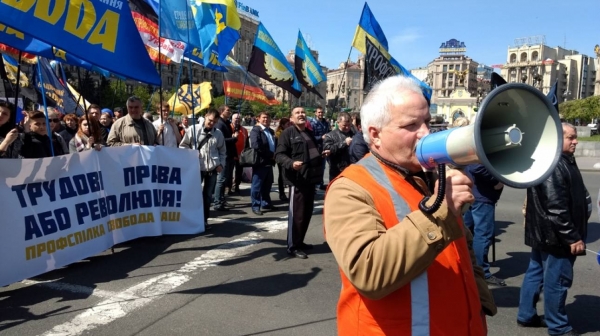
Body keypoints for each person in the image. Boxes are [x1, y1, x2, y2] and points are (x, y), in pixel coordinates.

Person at [323, 76, 496, 335]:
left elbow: (463, 250)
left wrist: (479, 299)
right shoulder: (349, 188)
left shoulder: (431, 177)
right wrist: (442, 210)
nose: (425, 132)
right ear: (375, 134)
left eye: (426, 121)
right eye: (411, 125)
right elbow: (368, 272)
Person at [517, 123, 589, 336]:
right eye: (571, 137)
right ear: (557, 139)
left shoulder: (556, 160)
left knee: (536, 273)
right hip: (556, 236)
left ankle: (526, 315)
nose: (575, 141)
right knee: (557, 281)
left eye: (575, 137)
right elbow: (557, 207)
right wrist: (572, 237)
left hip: (544, 233)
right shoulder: (555, 164)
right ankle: (558, 327)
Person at [275, 107, 325, 259]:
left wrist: (322, 154)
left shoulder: (308, 133)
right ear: (291, 118)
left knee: (306, 213)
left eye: (303, 112)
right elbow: (278, 155)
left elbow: (312, 153)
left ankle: (300, 241)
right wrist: (291, 163)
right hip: (297, 180)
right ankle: (293, 246)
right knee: (297, 215)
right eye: (297, 113)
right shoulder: (287, 133)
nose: (301, 114)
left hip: (310, 180)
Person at [179, 109, 226, 230]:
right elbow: (183, 146)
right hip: (196, 168)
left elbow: (222, 151)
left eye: (214, 122)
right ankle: (190, 219)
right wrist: (191, 155)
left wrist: (221, 164)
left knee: (208, 196)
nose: (212, 124)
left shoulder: (218, 133)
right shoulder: (193, 130)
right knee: (193, 195)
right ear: (205, 117)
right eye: (210, 120)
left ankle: (204, 220)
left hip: (212, 169)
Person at [212, 105, 238, 211]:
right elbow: (220, 141)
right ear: (222, 111)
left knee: (225, 179)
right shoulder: (220, 124)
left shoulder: (227, 123)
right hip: (223, 155)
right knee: (221, 179)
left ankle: (222, 200)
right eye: (227, 110)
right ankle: (217, 202)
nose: (229, 112)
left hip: (229, 154)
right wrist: (233, 138)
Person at [249, 112, 275, 215]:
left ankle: (265, 203)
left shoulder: (270, 131)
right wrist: (270, 154)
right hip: (260, 161)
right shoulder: (256, 130)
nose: (266, 119)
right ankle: (255, 205)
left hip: (269, 161)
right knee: (257, 185)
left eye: (268, 117)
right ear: (258, 119)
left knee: (267, 184)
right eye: (264, 117)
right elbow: (256, 146)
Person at [323, 112, 354, 180]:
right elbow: (328, 148)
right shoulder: (330, 135)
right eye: (344, 125)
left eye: (349, 125)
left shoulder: (353, 133)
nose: (347, 127)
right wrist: (344, 143)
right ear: (338, 123)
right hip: (337, 170)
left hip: (352, 168)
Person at [309, 106, 330, 190]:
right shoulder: (312, 123)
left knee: (323, 167)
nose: (320, 114)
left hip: (324, 147)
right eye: (319, 112)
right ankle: (314, 184)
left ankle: (320, 183)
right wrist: (321, 137)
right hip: (316, 148)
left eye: (322, 112)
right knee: (315, 167)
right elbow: (311, 137)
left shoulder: (326, 123)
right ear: (316, 113)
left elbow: (329, 132)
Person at [229, 112, 248, 195]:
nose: (237, 120)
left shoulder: (244, 130)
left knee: (239, 172)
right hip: (231, 154)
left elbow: (247, 142)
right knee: (229, 172)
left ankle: (237, 185)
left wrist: (247, 152)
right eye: (235, 118)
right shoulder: (229, 128)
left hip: (241, 155)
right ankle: (228, 187)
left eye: (238, 119)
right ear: (232, 119)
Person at [274, 117, 290, 201]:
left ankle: (289, 192)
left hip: (289, 157)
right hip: (281, 157)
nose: (289, 125)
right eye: (287, 124)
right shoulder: (279, 134)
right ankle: (282, 193)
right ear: (283, 125)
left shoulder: (289, 132)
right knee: (282, 175)